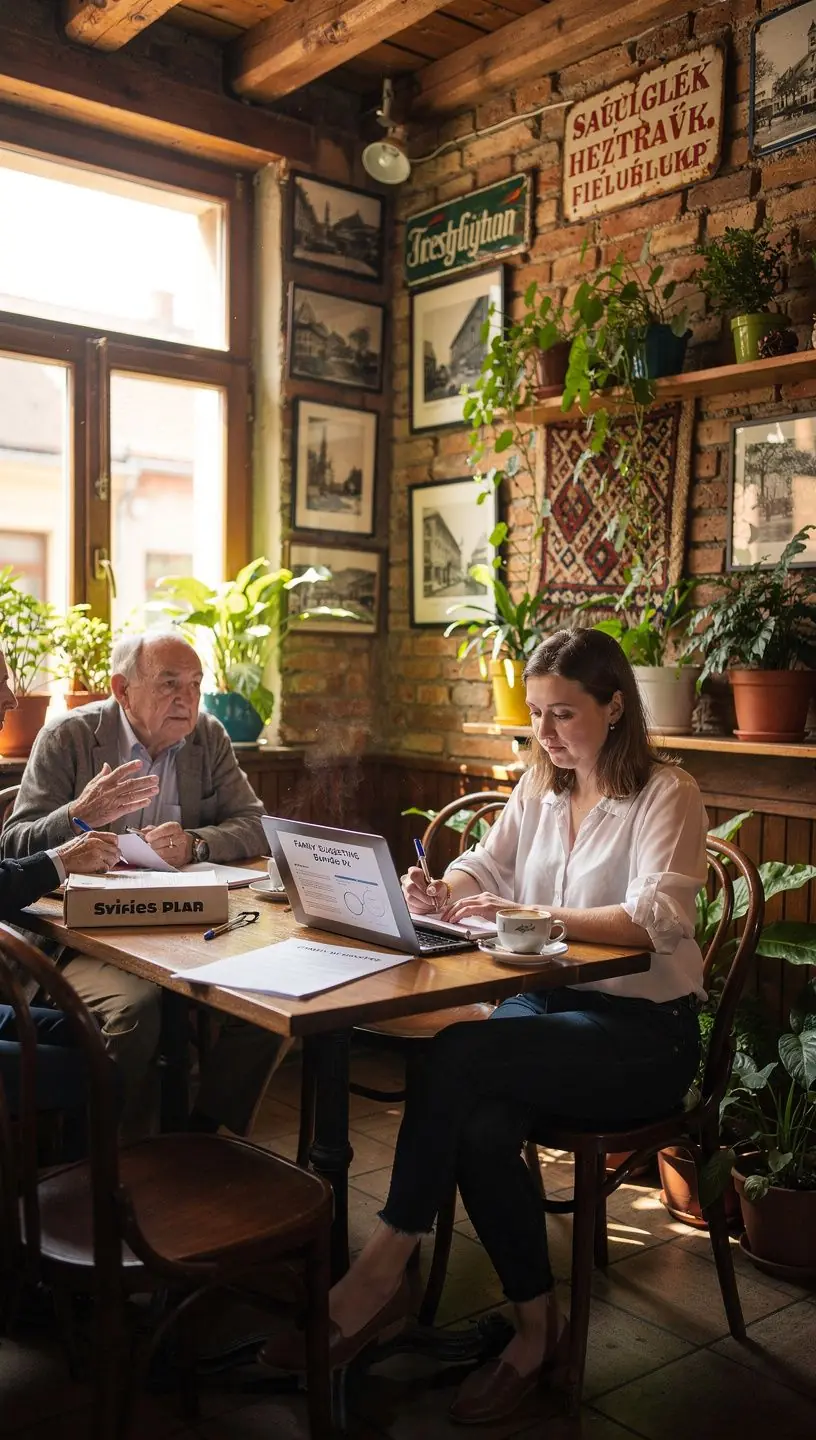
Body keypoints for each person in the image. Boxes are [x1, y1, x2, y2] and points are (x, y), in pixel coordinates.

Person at [260, 628, 707, 1425]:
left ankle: (379, 1277)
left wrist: (530, 913)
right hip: (547, 1010)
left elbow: (658, 921)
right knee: (478, 1123)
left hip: (644, 1032)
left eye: (563, 714)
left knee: (459, 1051)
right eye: (537, 714)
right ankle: (538, 1333)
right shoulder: (541, 787)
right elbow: (488, 868)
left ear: (614, 707)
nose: (546, 734)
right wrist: (443, 888)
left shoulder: (666, 792)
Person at [1, 631, 284, 1142]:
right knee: (136, 1010)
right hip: (82, 937)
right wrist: (78, 816)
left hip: (188, 927)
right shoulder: (68, 737)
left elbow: (255, 823)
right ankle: (113, 1159)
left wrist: (195, 843)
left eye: (196, 684)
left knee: (273, 994)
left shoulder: (207, 738)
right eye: (169, 683)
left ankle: (203, 1135)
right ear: (122, 689)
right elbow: (13, 844)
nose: (187, 698)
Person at [0, 646, 119, 1132]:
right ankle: (69, 1196)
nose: (11, 698)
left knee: (88, 1036)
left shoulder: (208, 737)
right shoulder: (64, 736)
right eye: (0, 682)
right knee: (98, 1073)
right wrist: (62, 858)